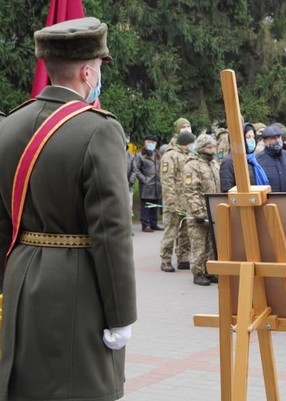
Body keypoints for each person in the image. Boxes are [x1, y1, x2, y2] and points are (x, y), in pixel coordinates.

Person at [0, 17, 136, 400]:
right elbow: (111, 231)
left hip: (19, 276)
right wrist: (121, 315)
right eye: (98, 68)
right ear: (87, 72)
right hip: (77, 285)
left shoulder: (9, 125)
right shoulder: (99, 129)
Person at [183, 134, 220, 286]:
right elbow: (190, 191)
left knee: (211, 244)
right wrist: (198, 212)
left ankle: (210, 270)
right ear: (201, 148)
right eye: (209, 147)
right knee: (199, 243)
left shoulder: (214, 164)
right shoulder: (192, 165)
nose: (212, 150)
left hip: (213, 210)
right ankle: (198, 273)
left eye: (214, 147)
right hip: (198, 212)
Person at [158, 130, 195, 272]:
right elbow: (167, 180)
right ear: (186, 143)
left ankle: (183, 258)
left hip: (187, 201)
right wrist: (171, 201)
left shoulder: (189, 155)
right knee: (171, 231)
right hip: (174, 201)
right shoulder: (170, 155)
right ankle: (166, 259)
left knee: (186, 231)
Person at [220, 123, 269, 191]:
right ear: (239, 139)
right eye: (248, 137)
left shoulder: (253, 159)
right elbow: (227, 189)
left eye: (253, 137)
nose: (252, 140)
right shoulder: (229, 161)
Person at [256, 125, 286, 193]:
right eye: (273, 138)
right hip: (269, 200)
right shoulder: (257, 161)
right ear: (264, 141)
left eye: (279, 137)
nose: (277, 140)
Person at [133, 134, 162, 232]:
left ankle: (154, 224)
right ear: (145, 142)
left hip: (156, 184)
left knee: (154, 205)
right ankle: (145, 225)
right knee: (146, 205)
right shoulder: (140, 155)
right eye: (149, 142)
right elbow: (136, 169)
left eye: (153, 142)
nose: (151, 144)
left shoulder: (157, 154)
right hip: (146, 184)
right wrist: (144, 179)